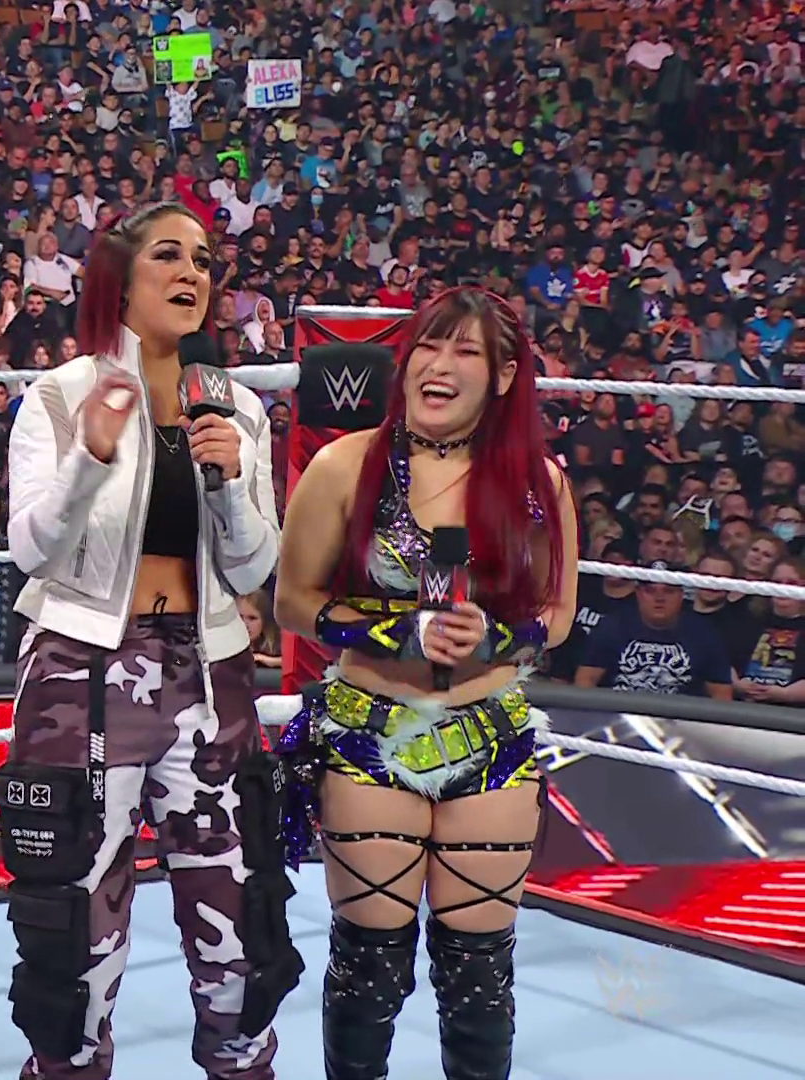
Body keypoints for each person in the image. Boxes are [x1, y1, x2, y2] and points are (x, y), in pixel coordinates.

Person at [0, 201, 298, 1080]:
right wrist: (90, 458)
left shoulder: (238, 409)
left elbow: (254, 567)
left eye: (203, 260)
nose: (191, 274)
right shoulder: (62, 396)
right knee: (74, 938)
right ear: (121, 280)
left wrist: (230, 482)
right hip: (80, 673)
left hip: (208, 673)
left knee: (241, 931)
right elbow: (29, 551)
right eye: (169, 255)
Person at [272, 286, 577, 1080]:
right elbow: (293, 602)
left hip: (489, 734)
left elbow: (557, 613)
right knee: (369, 965)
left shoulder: (539, 483)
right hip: (372, 728)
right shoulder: (345, 465)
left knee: (480, 976)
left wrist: (499, 637)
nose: (438, 366)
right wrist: (391, 631)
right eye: (428, 347)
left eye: (464, 350)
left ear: (504, 375)